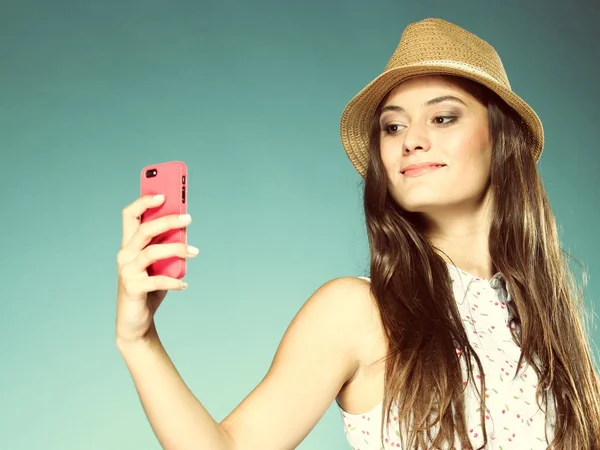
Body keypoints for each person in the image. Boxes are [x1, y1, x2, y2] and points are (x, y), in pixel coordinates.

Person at [115, 18, 600, 450]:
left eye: (443, 117)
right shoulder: (359, 312)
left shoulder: (550, 330)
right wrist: (139, 340)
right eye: (392, 127)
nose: (411, 139)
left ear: (502, 140)